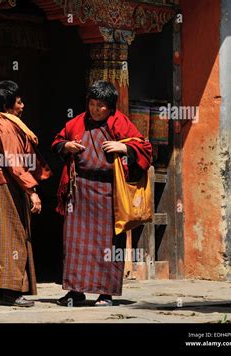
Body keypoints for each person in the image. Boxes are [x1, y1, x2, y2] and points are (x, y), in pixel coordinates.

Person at [52, 81, 152, 306]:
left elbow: (145, 149)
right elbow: (57, 142)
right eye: (92, 104)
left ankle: (105, 293)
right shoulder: (77, 122)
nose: (95, 109)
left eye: (101, 106)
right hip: (79, 191)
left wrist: (124, 148)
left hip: (109, 192)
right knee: (75, 243)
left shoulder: (121, 123)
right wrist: (66, 146)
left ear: (111, 107)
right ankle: (75, 292)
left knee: (108, 243)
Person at [0, 80, 52, 307]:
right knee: (11, 236)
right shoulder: (5, 124)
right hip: (1, 185)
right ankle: (9, 291)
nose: (22, 106)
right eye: (18, 102)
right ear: (7, 105)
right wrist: (32, 190)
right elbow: (14, 161)